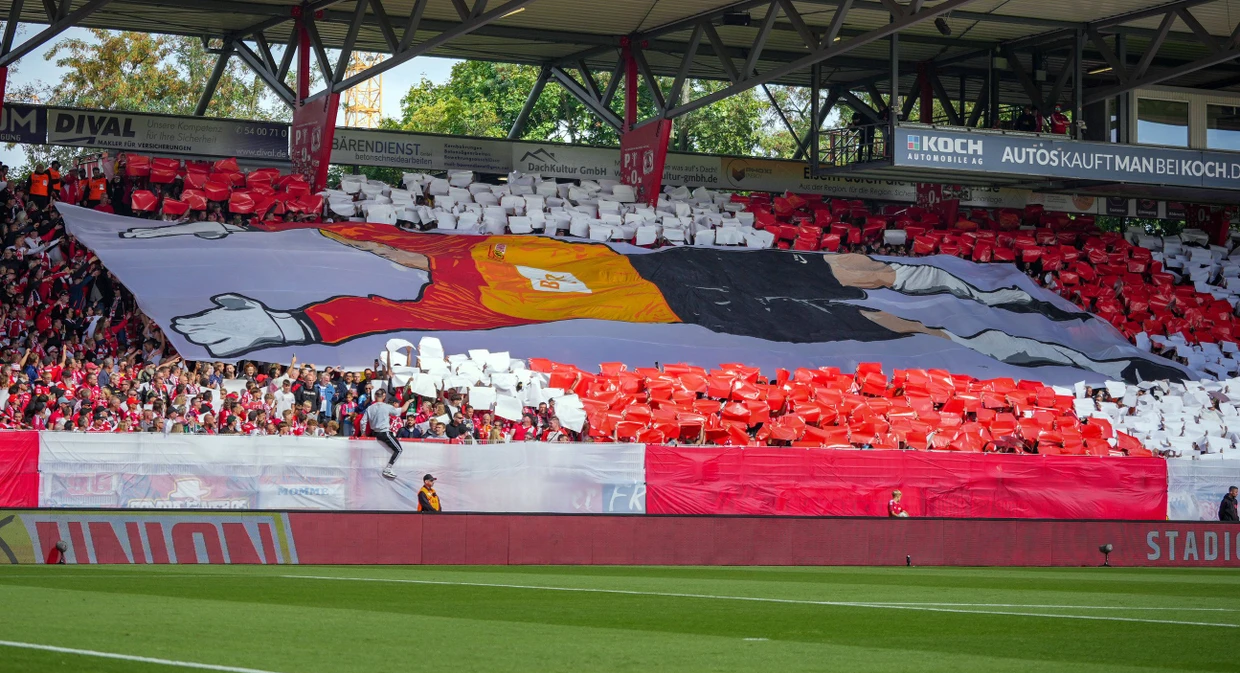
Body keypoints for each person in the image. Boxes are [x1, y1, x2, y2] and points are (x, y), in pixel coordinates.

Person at [154, 222, 1181, 382]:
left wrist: (219, 231)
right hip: (699, 305)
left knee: (871, 278)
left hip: (687, 262)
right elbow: (364, 311)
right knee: (893, 321)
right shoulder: (468, 308)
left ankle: (1020, 304)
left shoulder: (444, 244)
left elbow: (348, 238)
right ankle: (1093, 359)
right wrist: (283, 325)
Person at [361, 388, 415, 480]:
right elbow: (402, 410)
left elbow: (363, 422)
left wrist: (363, 433)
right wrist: (409, 401)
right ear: (384, 396)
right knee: (399, 449)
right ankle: (388, 468)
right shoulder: (386, 407)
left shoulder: (370, 408)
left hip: (374, 433)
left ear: (375, 396)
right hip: (384, 432)